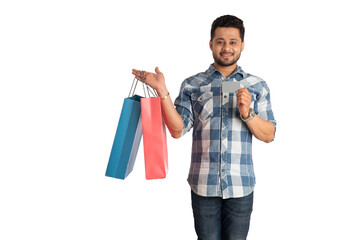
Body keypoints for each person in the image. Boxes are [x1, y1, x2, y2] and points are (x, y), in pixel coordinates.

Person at [132, 15, 276, 240]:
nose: (226, 47)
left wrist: (248, 114)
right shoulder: (192, 84)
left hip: (241, 186)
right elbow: (177, 130)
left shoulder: (256, 85)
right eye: (220, 41)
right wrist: (162, 90)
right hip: (203, 186)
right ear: (211, 44)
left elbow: (269, 134)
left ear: (242, 46)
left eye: (232, 42)